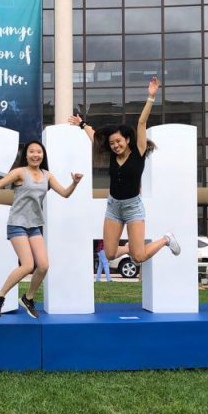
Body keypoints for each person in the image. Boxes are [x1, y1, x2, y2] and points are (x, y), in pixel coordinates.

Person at [67, 75, 181, 269]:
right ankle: (130, 247)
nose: (115, 145)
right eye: (112, 143)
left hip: (133, 207)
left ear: (127, 140)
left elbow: (142, 123)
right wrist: (82, 124)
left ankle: (165, 239)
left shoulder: (139, 152)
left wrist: (151, 97)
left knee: (139, 257)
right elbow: (94, 136)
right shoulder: (112, 155)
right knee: (110, 254)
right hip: (113, 206)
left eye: (118, 141)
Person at [0, 140, 83, 318]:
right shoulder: (20, 172)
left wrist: (74, 183)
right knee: (28, 265)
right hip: (17, 223)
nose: (35, 155)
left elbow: (65, 194)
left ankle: (28, 298)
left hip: (34, 225)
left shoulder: (47, 175)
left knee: (43, 266)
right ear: (26, 155)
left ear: (43, 155)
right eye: (32, 152)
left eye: (39, 152)